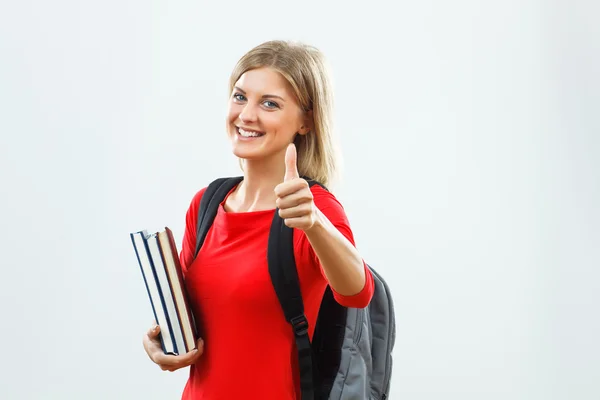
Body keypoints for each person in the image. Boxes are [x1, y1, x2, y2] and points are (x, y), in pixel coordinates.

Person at [142, 40, 375, 400]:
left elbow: (357, 292)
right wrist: (163, 342)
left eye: (269, 104)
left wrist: (314, 223)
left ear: (306, 121)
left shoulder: (313, 209)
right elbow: (200, 320)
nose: (247, 115)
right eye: (240, 97)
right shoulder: (206, 204)